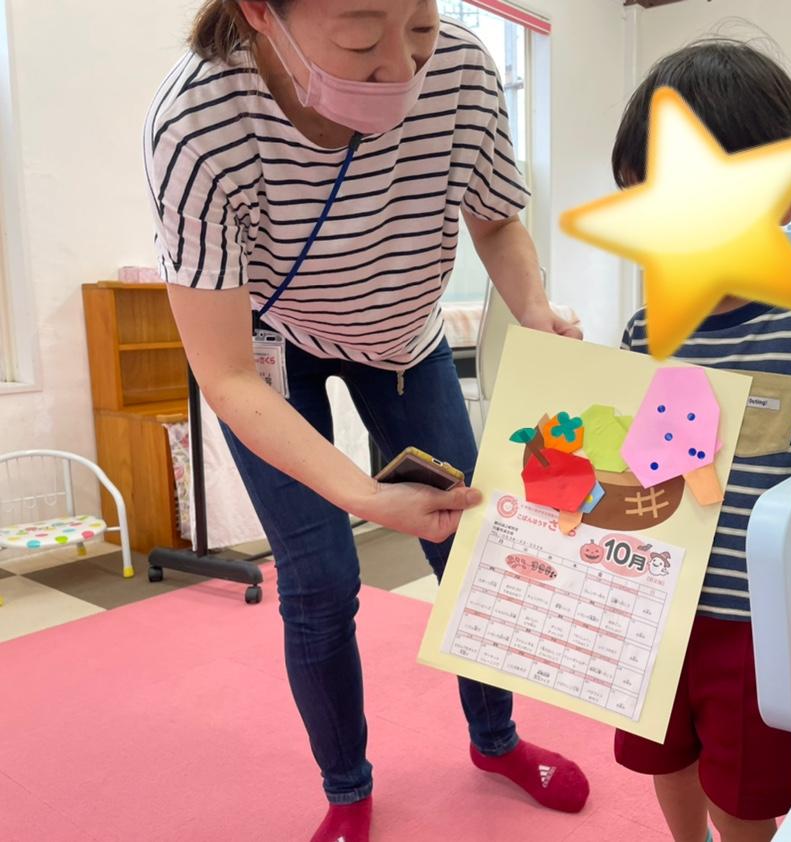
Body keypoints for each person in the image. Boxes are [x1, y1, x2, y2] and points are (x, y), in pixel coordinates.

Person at [143, 2, 588, 839]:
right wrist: (364, 496)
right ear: (260, 12)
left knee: (470, 545)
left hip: (405, 339)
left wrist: (533, 308)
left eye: (420, 26)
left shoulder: (463, 69)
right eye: (360, 35)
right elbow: (227, 375)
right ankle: (347, 791)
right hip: (273, 350)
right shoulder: (198, 123)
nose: (403, 68)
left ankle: (496, 741)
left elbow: (495, 216)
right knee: (319, 580)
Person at [610, 39, 791, 842]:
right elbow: (632, 466)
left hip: (758, 620)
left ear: (789, 194)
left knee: (743, 788)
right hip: (657, 599)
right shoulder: (644, 330)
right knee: (662, 752)